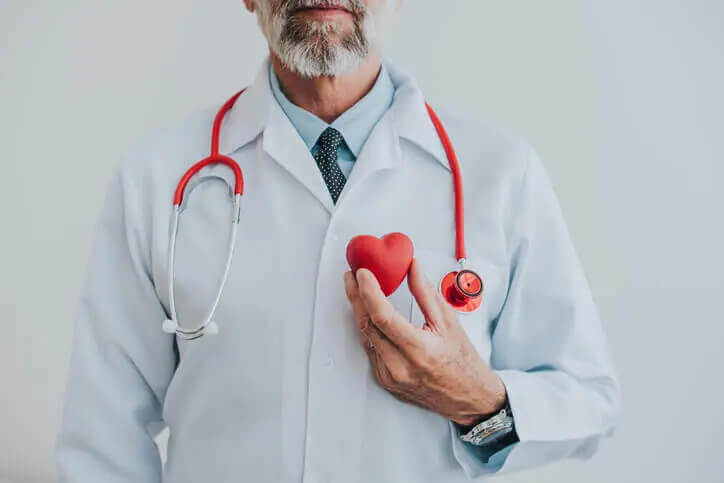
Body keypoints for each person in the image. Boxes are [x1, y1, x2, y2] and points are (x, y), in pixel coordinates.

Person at [55, 1, 621, 481]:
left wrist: (478, 401)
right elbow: (103, 438)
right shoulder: (157, 178)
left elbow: (588, 401)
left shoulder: (501, 172)